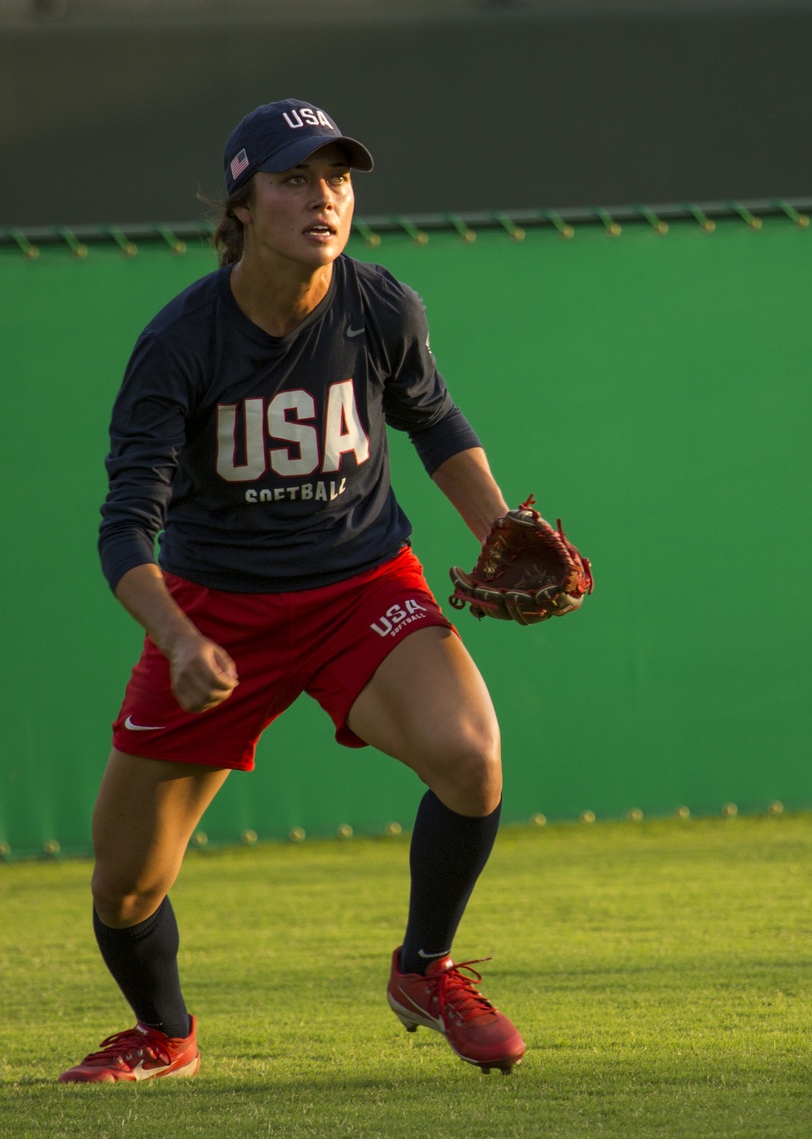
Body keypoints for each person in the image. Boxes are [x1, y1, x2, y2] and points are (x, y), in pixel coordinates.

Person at [58, 99, 525, 1083]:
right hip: (216, 613)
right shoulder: (181, 342)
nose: (323, 199)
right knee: (126, 883)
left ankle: (424, 969)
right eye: (293, 180)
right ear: (242, 206)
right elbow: (122, 530)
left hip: (360, 586)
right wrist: (179, 640)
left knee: (471, 757)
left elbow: (434, 422)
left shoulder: (379, 306)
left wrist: (495, 533)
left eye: (338, 179)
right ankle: (164, 1033)